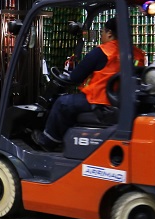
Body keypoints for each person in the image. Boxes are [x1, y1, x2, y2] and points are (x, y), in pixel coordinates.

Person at [32, 17, 146, 151]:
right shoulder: (138, 54)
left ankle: (48, 141)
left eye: (102, 32)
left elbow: (75, 77)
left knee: (62, 103)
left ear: (109, 33)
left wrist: (71, 74)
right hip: (123, 103)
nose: (102, 35)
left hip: (100, 102)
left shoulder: (103, 51)